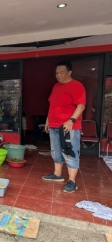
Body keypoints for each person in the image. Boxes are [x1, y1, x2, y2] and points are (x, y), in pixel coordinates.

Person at [42, 61, 86, 193]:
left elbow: (81, 105)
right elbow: (52, 105)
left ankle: (72, 181)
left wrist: (71, 120)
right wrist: (47, 120)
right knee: (55, 151)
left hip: (68, 127)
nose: (58, 75)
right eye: (56, 73)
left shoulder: (77, 85)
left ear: (69, 72)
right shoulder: (56, 86)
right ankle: (57, 174)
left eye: (61, 73)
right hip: (54, 125)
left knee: (69, 152)